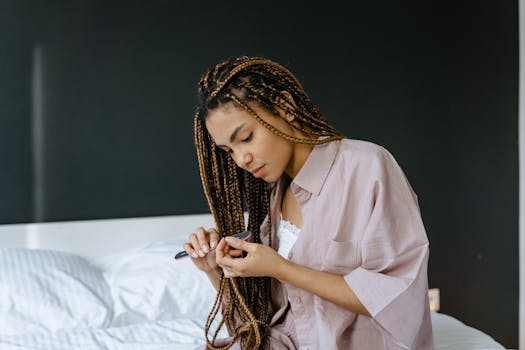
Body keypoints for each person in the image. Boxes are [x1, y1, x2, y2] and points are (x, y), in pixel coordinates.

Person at [184, 55, 434, 349]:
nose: (241, 159)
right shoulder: (272, 197)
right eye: (229, 151)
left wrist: (281, 268)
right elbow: (258, 324)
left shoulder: (367, 168)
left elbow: (397, 295)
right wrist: (214, 267)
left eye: (247, 137)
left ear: (285, 107)